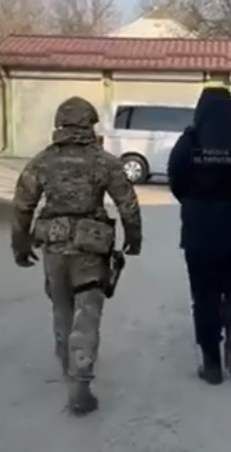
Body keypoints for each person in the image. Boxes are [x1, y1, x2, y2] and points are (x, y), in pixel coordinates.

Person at [11, 96, 143, 416]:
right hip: (90, 250)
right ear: (90, 124)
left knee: (61, 308)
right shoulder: (104, 162)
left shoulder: (42, 161)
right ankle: (80, 381)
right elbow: (128, 204)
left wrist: (20, 245)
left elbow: (22, 205)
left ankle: (67, 367)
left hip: (55, 249)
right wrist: (133, 239)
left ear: (59, 124)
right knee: (87, 313)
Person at [167, 84, 231, 385]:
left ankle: (211, 363)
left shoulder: (189, 142)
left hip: (199, 232)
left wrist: (195, 203)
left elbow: (175, 181)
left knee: (204, 296)